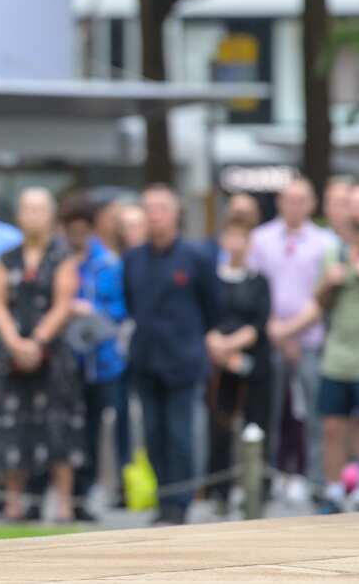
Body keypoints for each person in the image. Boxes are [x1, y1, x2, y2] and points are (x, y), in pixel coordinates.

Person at [271, 181, 359, 512]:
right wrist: (327, 283)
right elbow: (319, 302)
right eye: (353, 205)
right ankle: (333, 490)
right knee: (331, 424)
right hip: (336, 355)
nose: (358, 210)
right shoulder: (334, 251)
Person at [0, 188, 82, 523]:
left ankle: (63, 505)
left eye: (40, 209)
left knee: (58, 427)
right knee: (12, 426)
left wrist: (37, 341)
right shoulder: (6, 257)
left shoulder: (63, 255)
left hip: (52, 354)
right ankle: (13, 504)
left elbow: (64, 303)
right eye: (27, 209)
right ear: (19, 215)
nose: (33, 215)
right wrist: (14, 342)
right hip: (11, 354)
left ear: (51, 215)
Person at [123, 184, 219, 525]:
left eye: (161, 208)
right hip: (146, 360)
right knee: (152, 434)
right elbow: (132, 305)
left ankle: (180, 502)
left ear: (175, 212)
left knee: (180, 435)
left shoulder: (196, 257)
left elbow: (212, 307)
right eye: (148, 208)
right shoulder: (133, 258)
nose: (154, 215)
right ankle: (163, 500)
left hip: (183, 360)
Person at [249, 178, 331, 498]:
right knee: (266, 413)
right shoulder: (261, 238)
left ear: (311, 204)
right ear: (279, 203)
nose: (294, 206)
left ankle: (315, 483)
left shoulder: (325, 242)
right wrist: (275, 330)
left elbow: (323, 295)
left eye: (301, 200)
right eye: (288, 199)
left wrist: (292, 330)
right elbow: (254, 289)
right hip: (268, 338)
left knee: (314, 415)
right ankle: (263, 485)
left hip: (310, 339)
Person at [62, 195, 128, 520]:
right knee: (67, 428)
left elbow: (119, 310)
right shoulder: (61, 261)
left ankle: (87, 493)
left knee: (94, 430)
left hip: (102, 362)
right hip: (67, 362)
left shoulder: (109, 265)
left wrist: (92, 312)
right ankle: (67, 495)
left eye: (82, 230)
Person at [206, 218, 273, 514]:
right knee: (219, 425)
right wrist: (217, 346)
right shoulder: (212, 280)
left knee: (256, 424)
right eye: (230, 237)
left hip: (252, 363)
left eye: (241, 239)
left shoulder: (259, 281)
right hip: (218, 365)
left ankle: (255, 490)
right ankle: (219, 491)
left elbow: (259, 322)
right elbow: (205, 316)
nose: (235, 244)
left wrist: (232, 345)